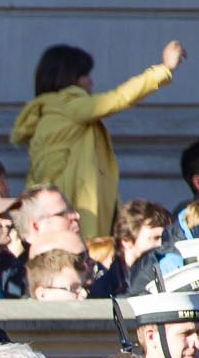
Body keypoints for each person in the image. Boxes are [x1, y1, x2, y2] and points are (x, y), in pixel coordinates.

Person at [11, 40, 186, 239]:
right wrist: (165, 69)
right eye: (85, 75)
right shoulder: (68, 106)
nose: (91, 82)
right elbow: (120, 98)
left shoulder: (48, 113)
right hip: (78, 220)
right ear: (70, 77)